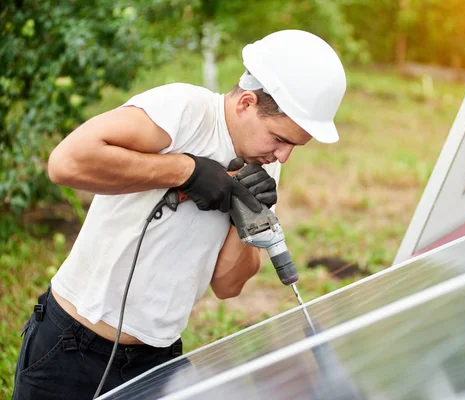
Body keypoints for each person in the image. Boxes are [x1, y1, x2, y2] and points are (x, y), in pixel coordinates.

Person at [12, 29, 346, 399]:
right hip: (72, 344)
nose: (283, 156)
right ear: (246, 103)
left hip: (158, 359)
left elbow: (228, 285)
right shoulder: (184, 111)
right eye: (280, 139)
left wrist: (247, 214)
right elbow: (65, 163)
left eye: (293, 146)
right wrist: (187, 171)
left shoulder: (262, 162)